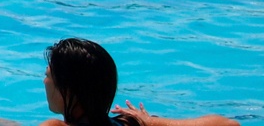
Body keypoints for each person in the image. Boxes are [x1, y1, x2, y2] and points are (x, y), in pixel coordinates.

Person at [40, 37, 239, 126]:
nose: (44, 81)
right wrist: (150, 122)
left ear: (68, 89)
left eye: (48, 75)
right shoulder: (129, 123)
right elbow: (228, 124)